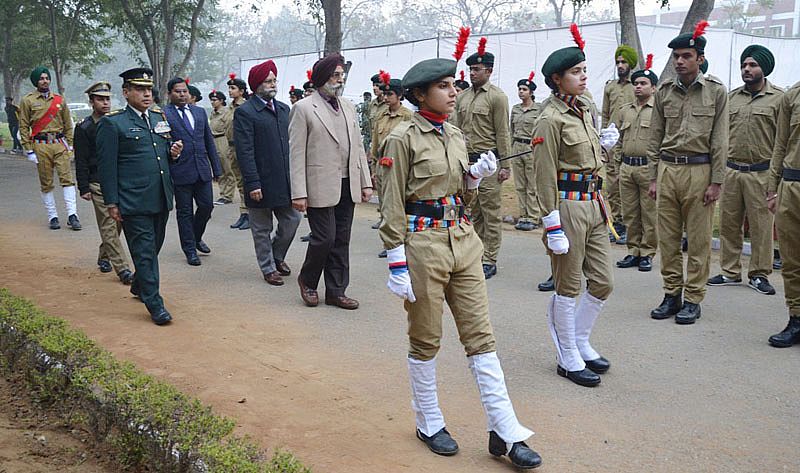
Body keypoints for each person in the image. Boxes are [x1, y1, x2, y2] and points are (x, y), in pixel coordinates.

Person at [377, 57, 541, 469]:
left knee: (481, 337)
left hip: (464, 241)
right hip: (423, 245)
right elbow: (392, 200)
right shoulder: (402, 138)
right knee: (426, 338)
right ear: (419, 94)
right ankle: (429, 420)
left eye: (455, 85)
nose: (454, 92)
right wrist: (396, 258)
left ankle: (506, 428)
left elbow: (457, 194)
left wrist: (472, 179)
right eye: (445, 86)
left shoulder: (454, 133)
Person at [533, 23, 614, 388]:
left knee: (602, 282)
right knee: (568, 284)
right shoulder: (549, 118)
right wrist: (551, 222)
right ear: (556, 79)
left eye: (584, 71)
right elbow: (544, 173)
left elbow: (590, 158)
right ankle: (567, 355)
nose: (583, 77)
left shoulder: (584, 109)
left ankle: (580, 339)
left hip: (595, 202)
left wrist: (606, 147)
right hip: (567, 206)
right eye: (575, 72)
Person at [647, 21, 728, 325]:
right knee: (667, 238)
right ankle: (671, 294)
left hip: (699, 170)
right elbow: (655, 136)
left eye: (686, 56)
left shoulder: (716, 92)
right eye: (676, 57)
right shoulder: (664, 91)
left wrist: (717, 181)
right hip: (668, 169)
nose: (679, 61)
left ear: (700, 59)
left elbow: (721, 139)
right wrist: (654, 176)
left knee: (698, 241)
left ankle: (693, 298)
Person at [96, 67, 183, 325]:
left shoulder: (157, 117)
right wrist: (111, 201)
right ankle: (155, 303)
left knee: (153, 247)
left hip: (160, 196)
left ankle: (139, 285)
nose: (147, 94)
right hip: (133, 200)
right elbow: (107, 167)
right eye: (140, 89)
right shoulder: (113, 123)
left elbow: (160, 154)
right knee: (144, 252)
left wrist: (173, 153)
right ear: (126, 92)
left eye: (149, 89)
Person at [289, 53, 373, 310]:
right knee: (324, 238)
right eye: (336, 75)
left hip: (348, 183)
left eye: (342, 75)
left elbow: (358, 146)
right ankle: (308, 280)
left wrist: (365, 182)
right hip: (318, 185)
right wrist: (298, 193)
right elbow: (296, 154)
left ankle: (336, 291)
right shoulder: (303, 108)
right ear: (322, 78)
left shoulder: (348, 106)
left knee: (341, 239)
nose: (340, 80)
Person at [707, 45, 782, 296]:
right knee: (729, 223)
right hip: (732, 171)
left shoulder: (779, 99)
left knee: (761, 227)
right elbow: (720, 135)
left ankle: (759, 274)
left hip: (762, 173)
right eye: (744, 65)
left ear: (764, 68)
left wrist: (776, 180)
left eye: (752, 65)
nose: (746, 69)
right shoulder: (732, 98)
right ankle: (729, 271)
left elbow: (783, 140)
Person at [235, 60, 301, 286]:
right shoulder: (245, 112)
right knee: (262, 228)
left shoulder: (284, 109)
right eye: (268, 81)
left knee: (293, 219)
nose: (273, 84)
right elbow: (244, 151)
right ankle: (268, 267)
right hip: (259, 181)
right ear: (256, 85)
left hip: (283, 180)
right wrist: (253, 182)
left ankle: (277, 255)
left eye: (274, 80)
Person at [452, 37, 512, 280]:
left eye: (477, 69)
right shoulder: (463, 97)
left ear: (489, 71)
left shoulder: (497, 97)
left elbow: (503, 132)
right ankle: (475, 253)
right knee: (471, 210)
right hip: (468, 162)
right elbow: (455, 130)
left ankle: (490, 258)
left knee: (490, 212)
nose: (473, 73)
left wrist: (505, 165)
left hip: (488, 162)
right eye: (471, 69)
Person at [74, 81, 134, 284]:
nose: (105, 103)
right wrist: (84, 187)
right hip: (97, 182)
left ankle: (104, 255)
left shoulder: (116, 122)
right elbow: (81, 159)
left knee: (118, 224)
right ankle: (123, 269)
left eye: (107, 98)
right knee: (109, 224)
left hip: (119, 180)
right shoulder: (84, 127)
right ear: (91, 102)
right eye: (100, 99)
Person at [163, 77, 222, 266]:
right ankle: (189, 250)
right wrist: (171, 150)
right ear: (170, 93)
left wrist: (216, 168)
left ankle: (196, 237)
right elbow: (162, 141)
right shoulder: (164, 114)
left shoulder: (199, 112)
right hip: (180, 170)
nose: (182, 94)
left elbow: (208, 141)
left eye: (184, 91)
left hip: (202, 169)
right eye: (178, 91)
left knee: (206, 206)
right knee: (185, 212)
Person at [18, 66, 80, 231]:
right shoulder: (28, 100)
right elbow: (23, 126)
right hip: (40, 145)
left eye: (47, 78)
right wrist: (28, 149)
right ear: (36, 82)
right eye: (41, 78)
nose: (45, 81)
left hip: (60, 144)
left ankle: (72, 215)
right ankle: (53, 216)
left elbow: (68, 124)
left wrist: (71, 144)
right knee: (46, 182)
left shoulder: (59, 100)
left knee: (67, 180)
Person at [614, 55, 659, 272]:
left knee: (649, 213)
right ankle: (633, 251)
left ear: (654, 87)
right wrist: (616, 164)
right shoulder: (625, 110)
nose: (638, 87)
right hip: (626, 167)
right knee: (630, 212)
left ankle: (647, 253)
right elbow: (619, 139)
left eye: (643, 84)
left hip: (647, 168)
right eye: (636, 84)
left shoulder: (659, 110)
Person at [767, 79, 800, 347]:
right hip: (791, 184)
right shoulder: (792, 96)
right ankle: (796, 317)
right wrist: (772, 188)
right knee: (791, 260)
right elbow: (780, 144)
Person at [371, 74, 413, 256]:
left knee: (399, 207)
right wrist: (373, 168)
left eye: (390, 95)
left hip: (399, 168)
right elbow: (375, 144)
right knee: (386, 207)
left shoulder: (408, 117)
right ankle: (390, 244)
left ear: (399, 95)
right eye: (385, 94)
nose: (386, 98)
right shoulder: (382, 115)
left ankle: (404, 243)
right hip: (382, 166)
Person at [602, 45, 637, 244]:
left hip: (631, 143)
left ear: (631, 64)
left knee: (628, 187)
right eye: (618, 62)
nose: (621, 66)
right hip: (612, 144)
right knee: (613, 187)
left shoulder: (637, 85)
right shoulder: (610, 87)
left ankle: (632, 227)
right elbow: (606, 115)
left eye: (624, 62)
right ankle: (618, 224)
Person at [510, 72, 542, 231]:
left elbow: (541, 129)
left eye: (524, 89)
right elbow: (511, 130)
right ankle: (523, 215)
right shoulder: (515, 109)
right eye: (519, 89)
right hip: (517, 147)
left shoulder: (539, 109)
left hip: (531, 148)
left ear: (531, 92)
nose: (521, 92)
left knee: (532, 184)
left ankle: (533, 216)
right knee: (520, 185)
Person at [225, 73, 250, 230]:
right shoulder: (229, 107)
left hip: (242, 147)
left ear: (241, 91)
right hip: (231, 147)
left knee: (246, 182)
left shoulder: (246, 106)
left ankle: (249, 214)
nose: (230, 91)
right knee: (239, 183)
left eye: (233, 88)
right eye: (229, 88)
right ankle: (243, 213)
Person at [209, 90, 235, 205]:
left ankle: (228, 195)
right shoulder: (213, 113)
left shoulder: (226, 112)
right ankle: (223, 193)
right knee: (219, 169)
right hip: (214, 140)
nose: (212, 102)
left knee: (227, 168)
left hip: (223, 139)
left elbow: (229, 127)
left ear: (221, 101)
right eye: (211, 100)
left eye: (215, 100)